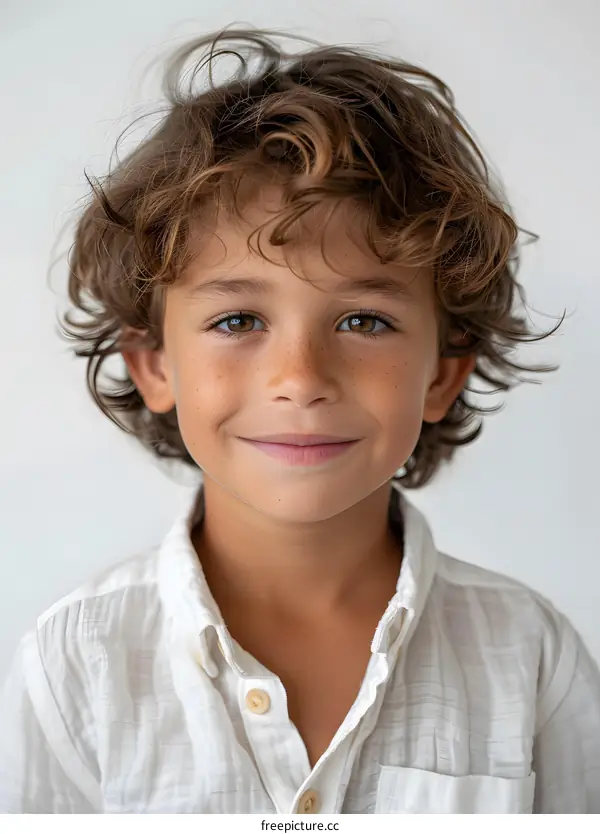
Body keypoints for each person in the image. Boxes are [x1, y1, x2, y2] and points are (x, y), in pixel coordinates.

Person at [1, 27, 599, 815]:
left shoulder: (531, 657)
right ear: (152, 363)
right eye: (239, 320)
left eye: (363, 322)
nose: (300, 380)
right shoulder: (75, 662)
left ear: (443, 374)